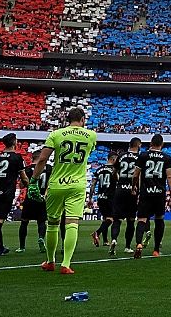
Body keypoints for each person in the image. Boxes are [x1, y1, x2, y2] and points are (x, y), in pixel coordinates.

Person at [32, 105, 99, 276]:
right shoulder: (91, 135)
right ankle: (66, 263)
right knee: (72, 224)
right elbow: (87, 154)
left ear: (67, 120)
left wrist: (34, 180)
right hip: (77, 184)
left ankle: (50, 261)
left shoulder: (56, 134)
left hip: (56, 184)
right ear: (83, 120)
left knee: (53, 224)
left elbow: (43, 159)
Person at [132, 134, 171, 258]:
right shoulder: (167, 157)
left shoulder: (143, 155)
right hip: (159, 193)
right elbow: (169, 177)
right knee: (159, 219)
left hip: (146, 192)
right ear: (162, 144)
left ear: (150, 143)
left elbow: (135, 174)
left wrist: (134, 186)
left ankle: (139, 243)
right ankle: (156, 250)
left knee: (142, 219)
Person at [109, 138, 143, 258]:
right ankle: (128, 246)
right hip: (132, 191)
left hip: (120, 189)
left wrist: (119, 182)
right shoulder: (140, 157)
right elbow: (139, 175)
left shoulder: (121, 156)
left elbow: (114, 172)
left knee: (117, 219)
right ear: (138, 145)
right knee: (130, 220)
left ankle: (113, 240)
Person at [91, 146, 120, 253]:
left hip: (100, 197)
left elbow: (93, 185)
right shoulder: (114, 170)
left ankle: (105, 240)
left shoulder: (99, 169)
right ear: (113, 159)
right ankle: (97, 233)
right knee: (111, 219)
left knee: (105, 219)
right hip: (110, 197)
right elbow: (117, 181)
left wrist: (90, 198)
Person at [18, 162, 50, 255]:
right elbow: (50, 182)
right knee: (42, 221)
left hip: (30, 198)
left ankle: (22, 247)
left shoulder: (27, 169)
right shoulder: (48, 168)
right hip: (42, 198)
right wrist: (45, 195)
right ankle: (41, 238)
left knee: (24, 222)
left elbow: (21, 185)